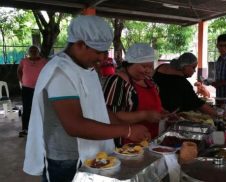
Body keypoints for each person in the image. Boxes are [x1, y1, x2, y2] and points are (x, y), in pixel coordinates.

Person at [23, 16, 150, 182]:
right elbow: (74, 125)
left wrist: (128, 126)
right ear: (80, 44)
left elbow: (99, 111)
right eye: (98, 52)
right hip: (67, 159)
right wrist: (127, 131)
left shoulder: (87, 68)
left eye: (104, 52)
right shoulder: (60, 72)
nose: (103, 58)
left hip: (93, 151)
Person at [103, 43, 166, 145]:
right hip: (126, 144)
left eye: (151, 66)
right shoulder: (117, 81)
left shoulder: (150, 81)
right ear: (130, 63)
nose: (149, 70)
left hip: (151, 140)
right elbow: (111, 115)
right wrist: (145, 115)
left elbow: (156, 106)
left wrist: (164, 113)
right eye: (144, 66)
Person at [153, 52, 226, 119]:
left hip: (155, 111)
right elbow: (198, 103)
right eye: (193, 67)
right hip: (169, 117)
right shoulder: (183, 83)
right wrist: (219, 114)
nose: (194, 71)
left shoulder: (161, 67)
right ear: (185, 66)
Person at [17, 45, 47, 137]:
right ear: (28, 52)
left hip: (40, 88)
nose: (33, 52)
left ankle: (41, 128)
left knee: (41, 107)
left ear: (39, 52)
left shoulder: (44, 61)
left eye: (35, 50)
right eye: (31, 50)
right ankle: (25, 129)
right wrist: (21, 81)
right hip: (27, 88)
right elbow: (19, 71)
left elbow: (48, 72)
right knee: (27, 108)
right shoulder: (24, 61)